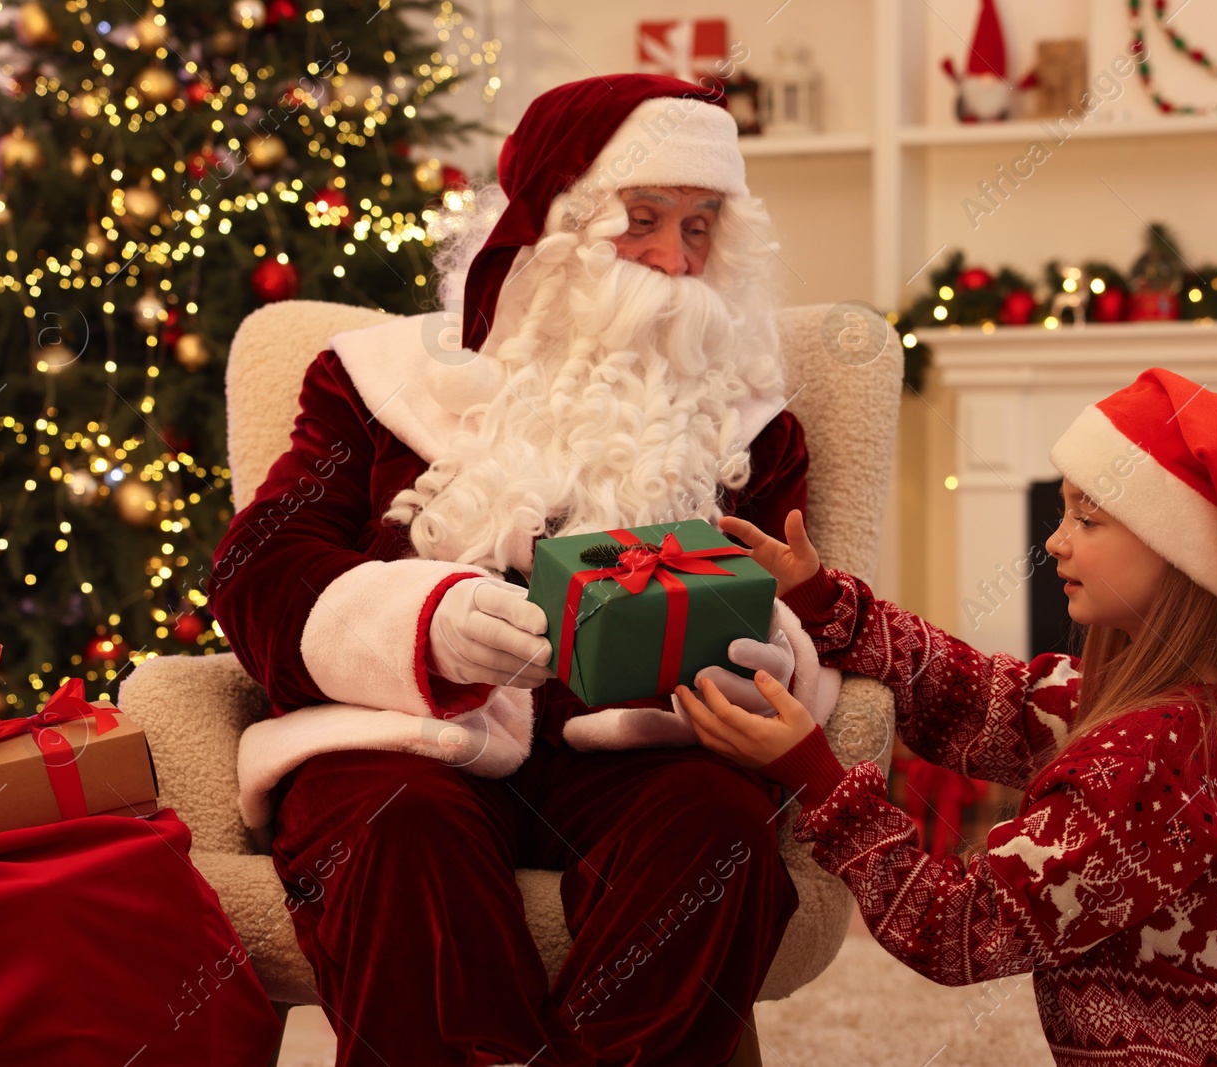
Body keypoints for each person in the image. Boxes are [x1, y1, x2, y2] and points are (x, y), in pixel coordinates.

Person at [207, 73, 842, 1066]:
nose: (676, 261)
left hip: (639, 749)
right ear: (557, 221)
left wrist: (754, 649)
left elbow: (796, 608)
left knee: (718, 835)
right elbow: (260, 568)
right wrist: (424, 624)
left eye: (701, 227)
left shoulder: (754, 427)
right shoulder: (374, 380)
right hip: (411, 735)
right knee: (391, 830)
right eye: (643, 221)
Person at [677, 368, 1217, 1065]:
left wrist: (818, 776)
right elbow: (983, 695)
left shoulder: (1152, 758)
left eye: (1089, 518)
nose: (1057, 541)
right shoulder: (1161, 705)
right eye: (1062, 513)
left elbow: (961, 924)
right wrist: (821, 598)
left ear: (1178, 556)